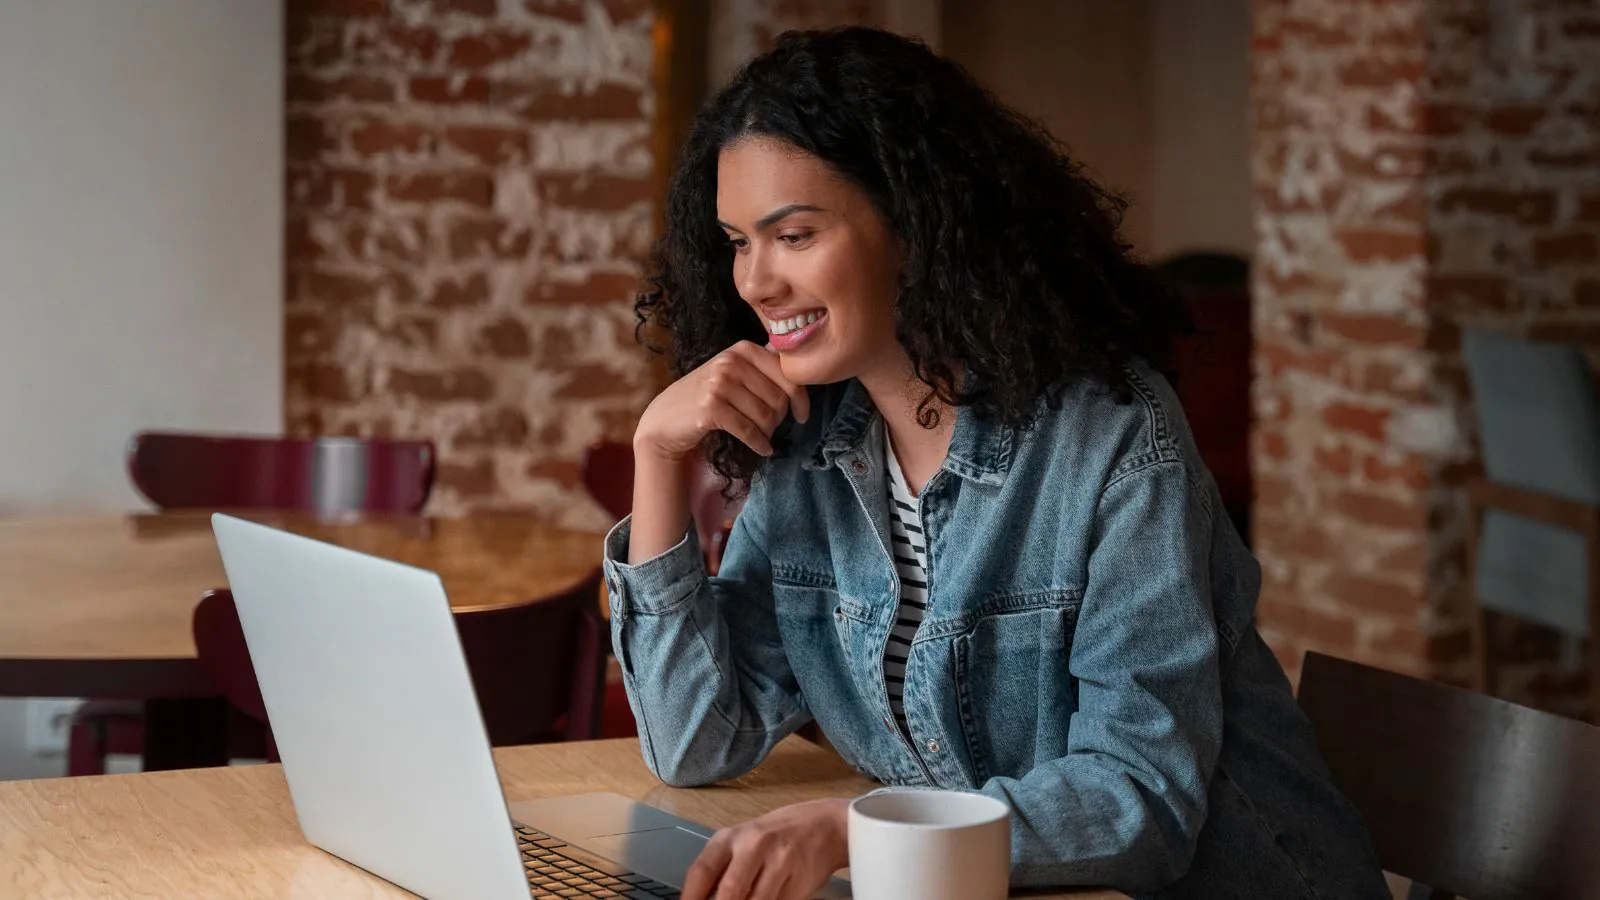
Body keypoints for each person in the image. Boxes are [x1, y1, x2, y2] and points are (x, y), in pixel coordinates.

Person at [602, 26, 1390, 900]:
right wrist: (657, 456)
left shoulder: (1112, 440)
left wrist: (858, 833)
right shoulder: (811, 447)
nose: (754, 281)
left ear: (911, 224)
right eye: (737, 242)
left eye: (792, 235)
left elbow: (1139, 797)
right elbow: (694, 742)